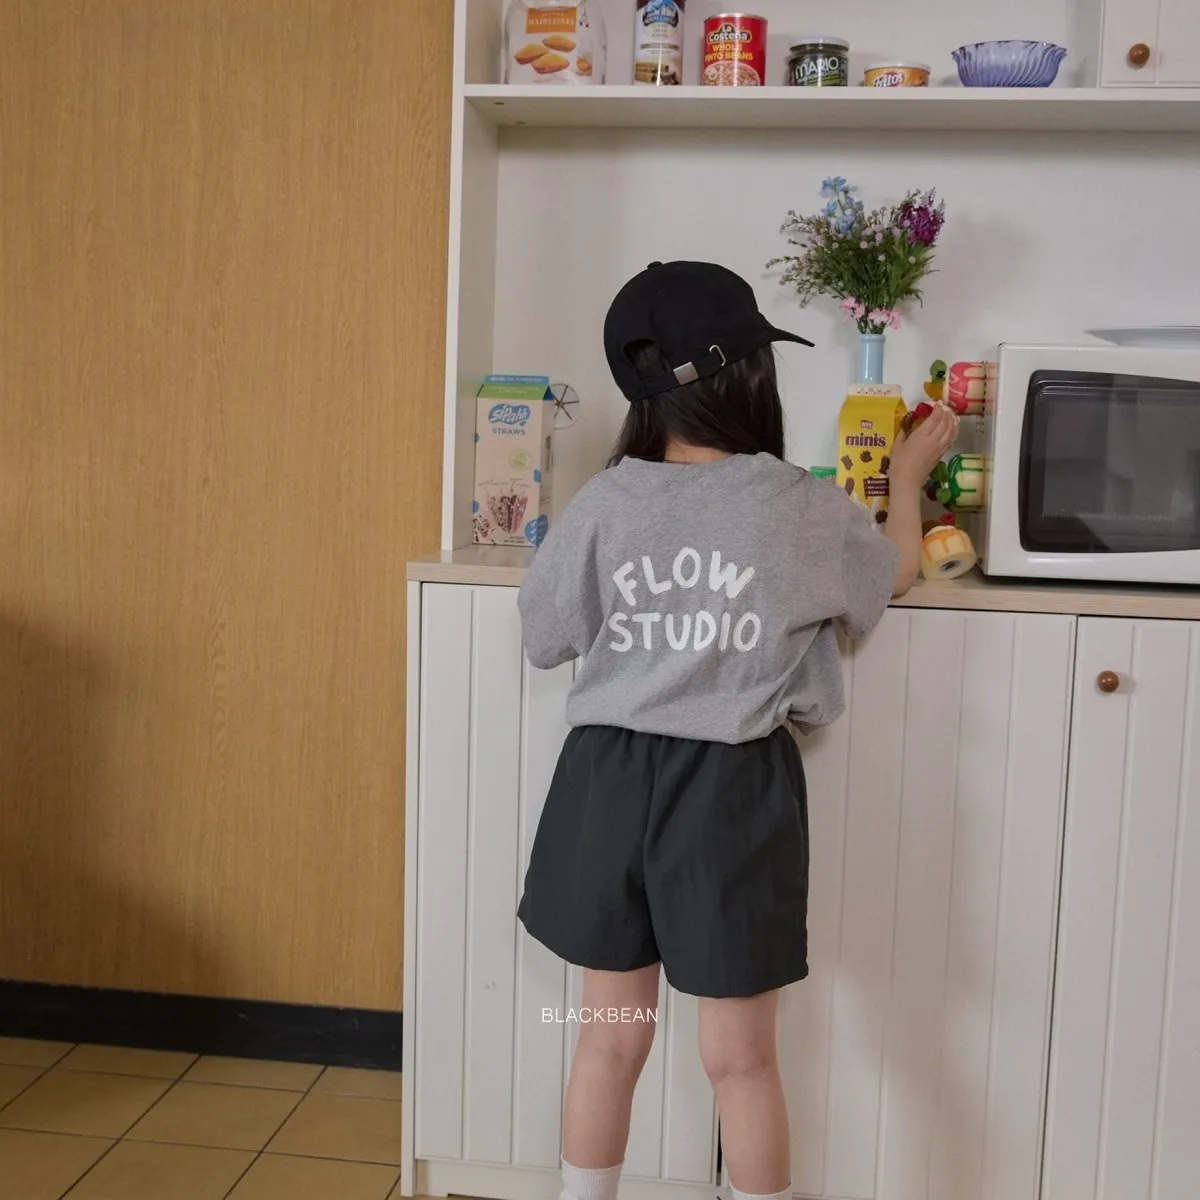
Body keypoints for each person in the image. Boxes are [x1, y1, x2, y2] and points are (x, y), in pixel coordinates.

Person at [516, 261, 957, 1200]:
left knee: (607, 1041)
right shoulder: (796, 505)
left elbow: (545, 635)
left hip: (604, 783)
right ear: (747, 375)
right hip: (730, 792)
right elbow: (892, 574)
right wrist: (908, 479)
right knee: (743, 1061)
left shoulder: (605, 500)